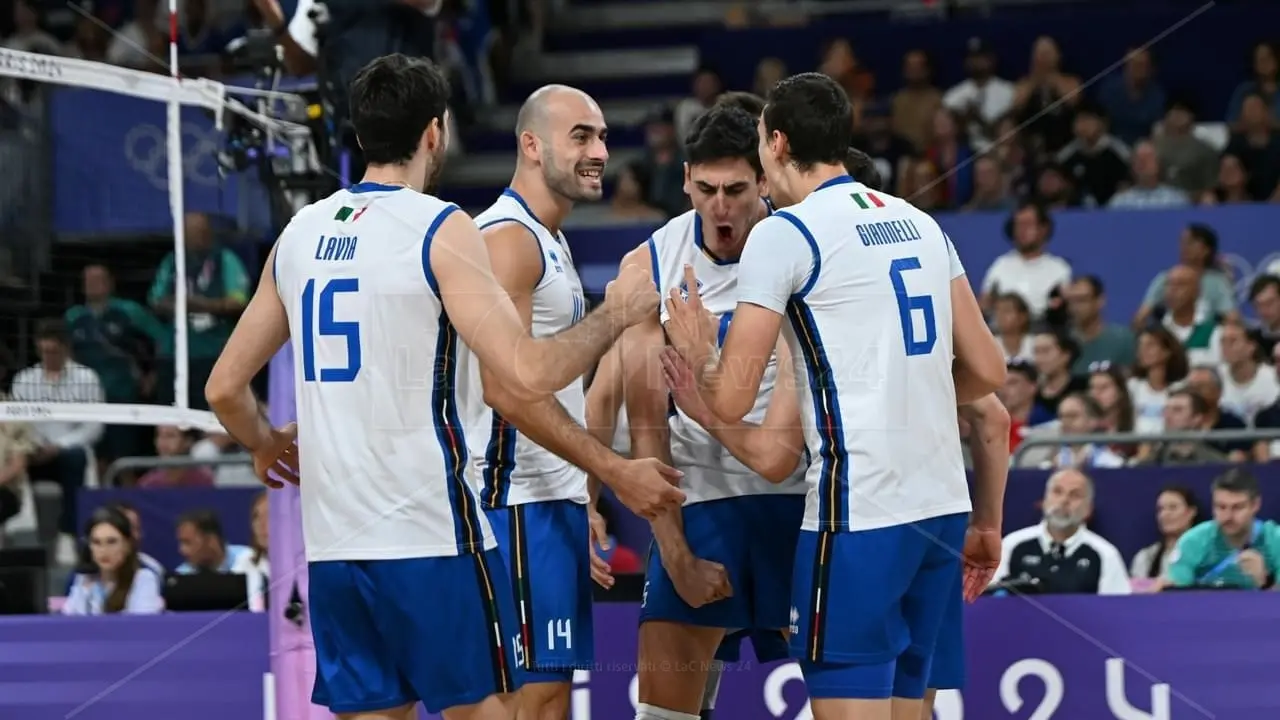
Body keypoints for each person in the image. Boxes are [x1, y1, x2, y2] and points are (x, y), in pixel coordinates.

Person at [203, 54, 681, 720]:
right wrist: (618, 312)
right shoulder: (440, 226)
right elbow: (525, 375)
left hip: (337, 550)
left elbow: (225, 388)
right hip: (430, 536)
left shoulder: (301, 232)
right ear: (436, 132)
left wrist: (263, 443)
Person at [661, 72, 1008, 720]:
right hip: (939, 510)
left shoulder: (785, 234)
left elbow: (733, 401)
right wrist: (906, 392)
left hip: (861, 515)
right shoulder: (919, 220)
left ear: (776, 143)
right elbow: (989, 369)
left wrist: (700, 352)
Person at [615, 104, 808, 720]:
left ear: (763, 181)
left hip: (801, 498)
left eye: (736, 190)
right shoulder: (650, 264)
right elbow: (645, 419)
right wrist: (672, 549)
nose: (721, 206)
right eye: (706, 190)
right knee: (663, 714)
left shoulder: (804, 244)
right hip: (701, 498)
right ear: (686, 179)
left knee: (852, 702)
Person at [460, 84, 639, 718]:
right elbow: (506, 390)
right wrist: (612, 470)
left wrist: (577, 491)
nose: (600, 151)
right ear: (531, 146)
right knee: (525, 701)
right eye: (582, 136)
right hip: (510, 502)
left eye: (603, 136)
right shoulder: (508, 240)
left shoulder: (547, 238)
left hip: (544, 500)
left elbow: (551, 380)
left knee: (546, 699)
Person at [63, 506, 164, 616]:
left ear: (127, 545)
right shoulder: (83, 579)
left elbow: (142, 625)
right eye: (97, 542)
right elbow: (70, 621)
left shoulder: (143, 579)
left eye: (111, 542)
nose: (104, 550)